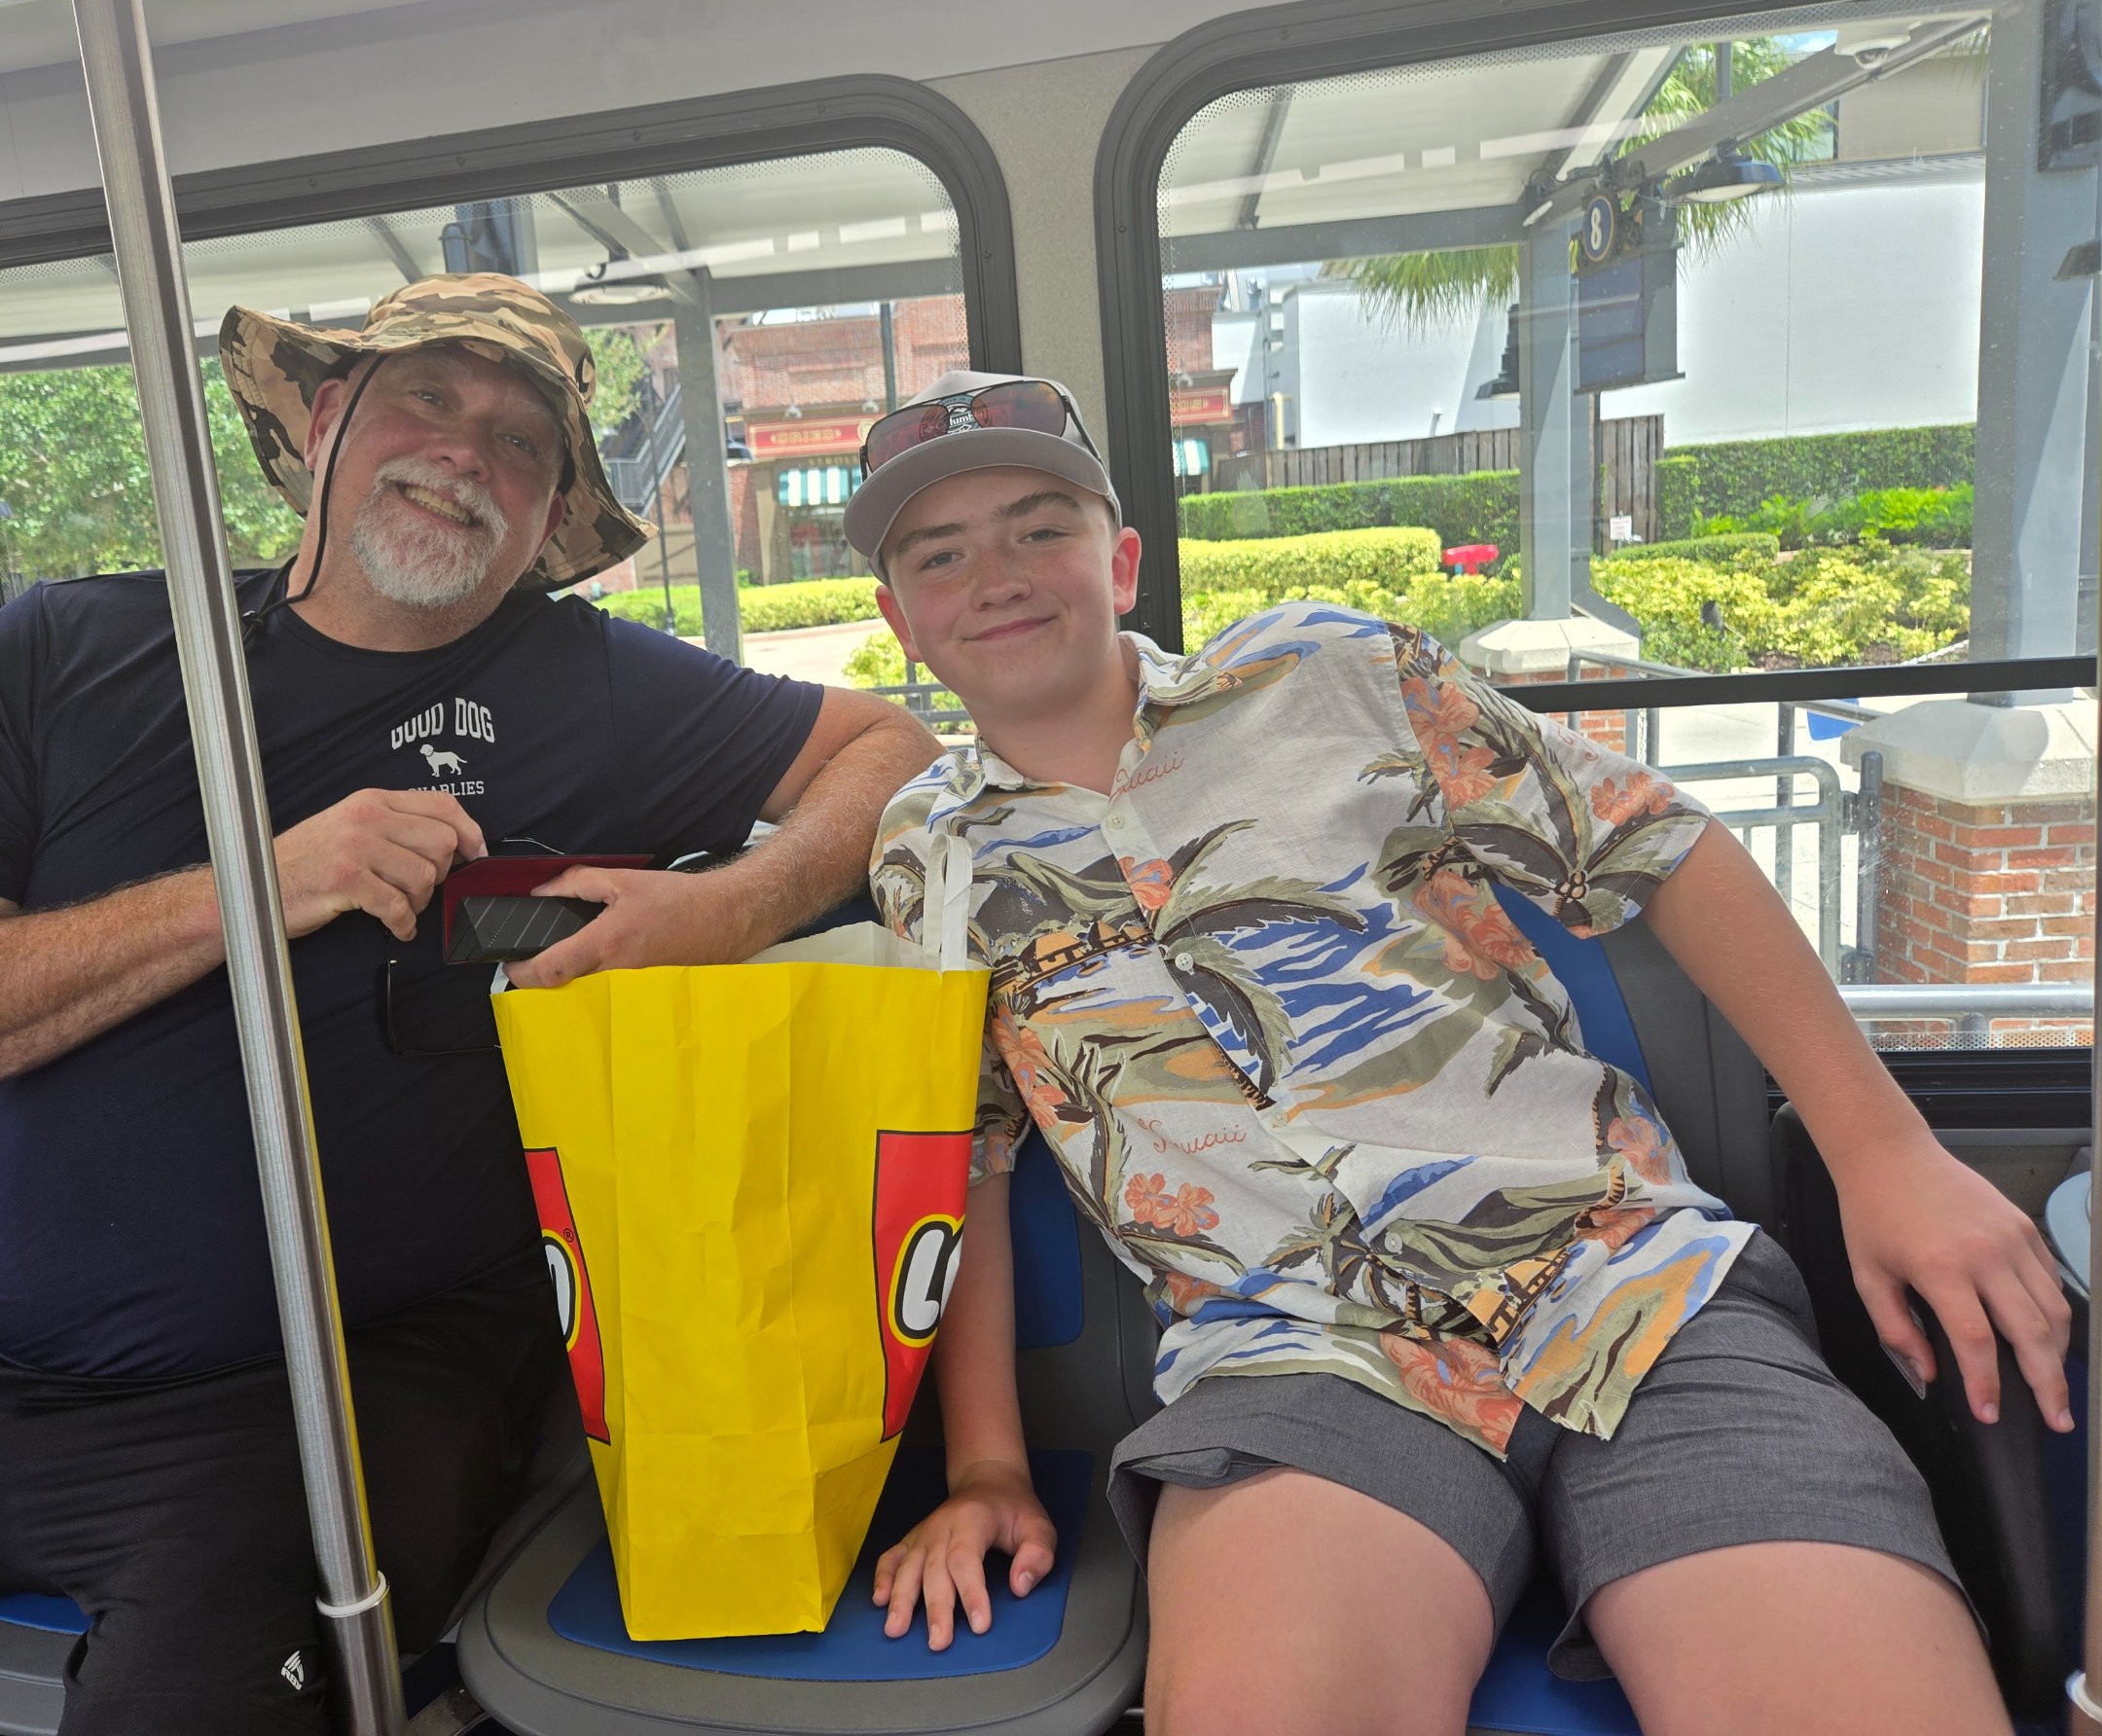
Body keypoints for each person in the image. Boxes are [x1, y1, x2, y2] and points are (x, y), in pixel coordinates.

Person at [0, 276, 937, 1736]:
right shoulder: (68, 655)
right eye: (426, 397)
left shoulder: (597, 686)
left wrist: (728, 907)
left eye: (522, 442)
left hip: (336, 1392)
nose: (465, 452)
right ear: (322, 421)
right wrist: (249, 887)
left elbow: (889, 751)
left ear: (551, 516)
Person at [851, 372, 2073, 1736]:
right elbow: (965, 1156)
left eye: (1039, 529)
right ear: (899, 620)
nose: (997, 578)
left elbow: (1658, 844)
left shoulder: (1327, 674)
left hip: (1620, 1273)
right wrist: (987, 1467)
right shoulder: (927, 855)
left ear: (1122, 561)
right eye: (938, 556)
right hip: (1295, 1359)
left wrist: (1886, 1153)